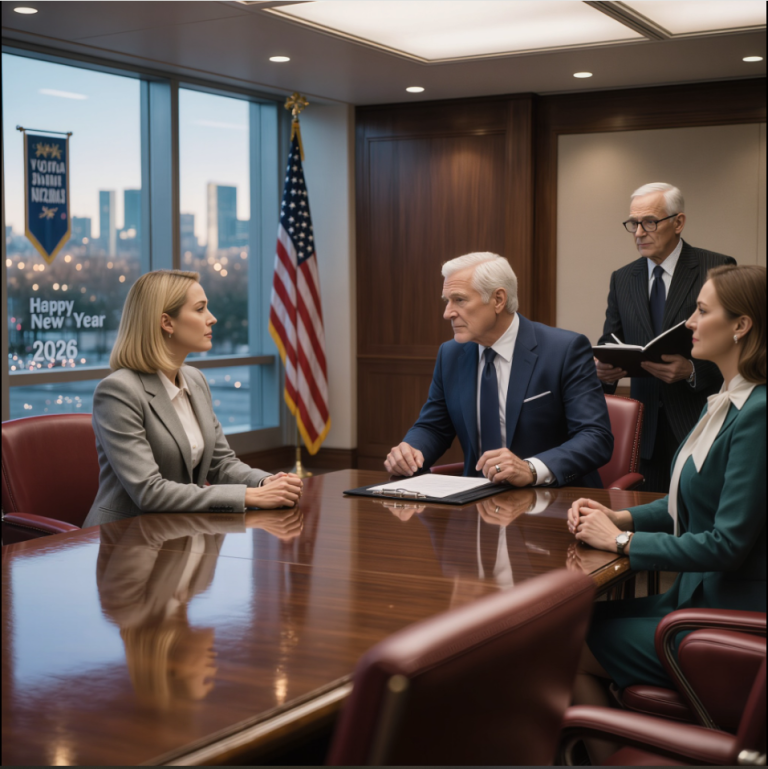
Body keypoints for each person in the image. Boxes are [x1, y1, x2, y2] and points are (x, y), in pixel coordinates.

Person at [569, 264, 766, 764]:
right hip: (692, 600)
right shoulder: (725, 399)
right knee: (570, 624)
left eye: (701, 312)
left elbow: (726, 543)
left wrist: (620, 545)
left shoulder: (759, 412)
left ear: (741, 326)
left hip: (729, 622)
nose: (690, 325)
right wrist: (621, 520)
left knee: (563, 647)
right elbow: (689, 500)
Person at [83, 270, 302, 528]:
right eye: (200, 309)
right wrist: (248, 496)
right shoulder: (118, 392)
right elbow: (149, 491)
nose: (212, 318)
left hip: (182, 532)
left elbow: (221, 464)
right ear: (167, 322)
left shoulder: (194, 379)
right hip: (125, 540)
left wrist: (266, 483)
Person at [385, 252, 613, 488]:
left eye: (459, 300)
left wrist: (532, 469)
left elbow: (595, 438)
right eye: (447, 301)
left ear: (498, 300)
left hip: (553, 500)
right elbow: (433, 427)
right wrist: (411, 451)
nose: (447, 313)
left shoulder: (564, 350)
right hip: (475, 503)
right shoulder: (450, 354)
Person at [596, 182, 736, 492]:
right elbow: (611, 337)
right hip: (644, 429)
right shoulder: (623, 277)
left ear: (678, 222)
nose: (639, 233)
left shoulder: (716, 268)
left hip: (698, 417)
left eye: (649, 222)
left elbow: (736, 344)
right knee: (650, 519)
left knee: (697, 519)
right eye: (633, 223)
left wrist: (692, 371)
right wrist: (603, 368)